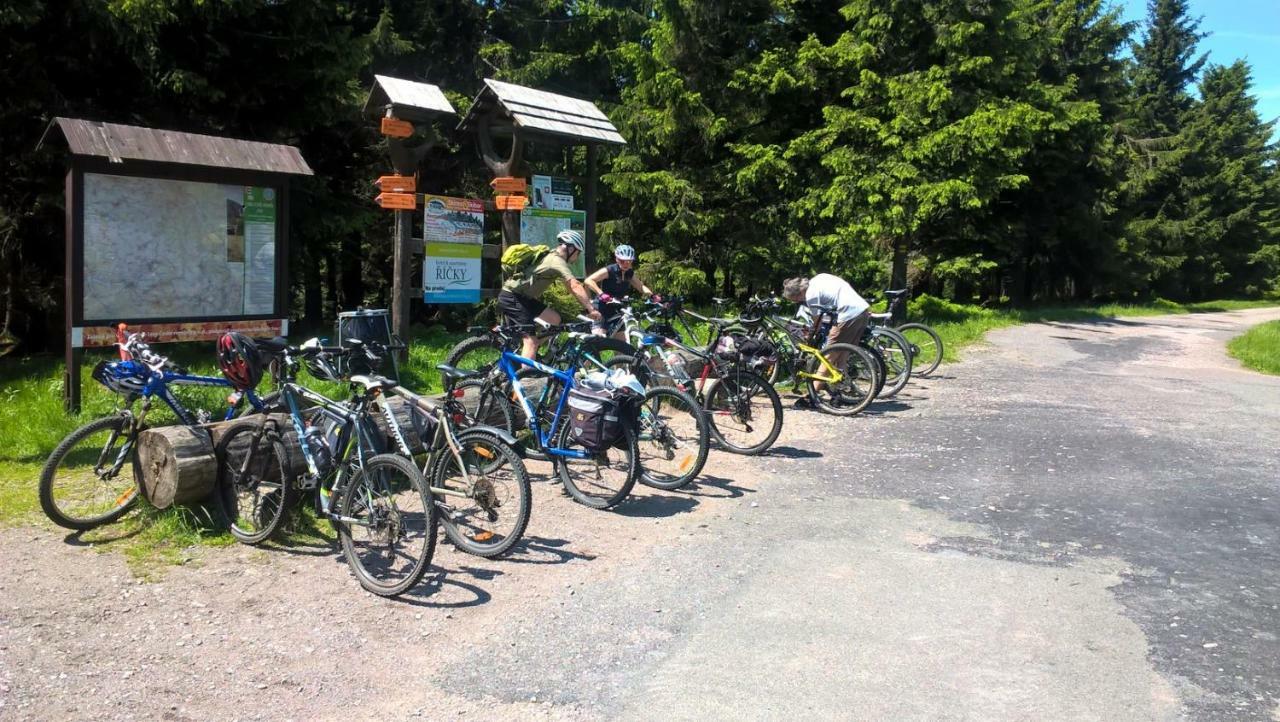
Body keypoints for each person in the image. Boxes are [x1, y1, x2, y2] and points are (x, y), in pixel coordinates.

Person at [498, 229, 602, 359]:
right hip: (512, 297)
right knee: (530, 341)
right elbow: (574, 285)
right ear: (570, 249)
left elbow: (570, 287)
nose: (578, 256)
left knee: (554, 319)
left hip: (523, 298)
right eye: (578, 252)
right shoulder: (557, 262)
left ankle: (530, 352)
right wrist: (591, 309)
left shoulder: (552, 257)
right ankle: (525, 377)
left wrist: (585, 304)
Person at [781, 273, 870, 396]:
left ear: (799, 293)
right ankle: (844, 389)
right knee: (842, 354)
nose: (799, 302)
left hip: (847, 314)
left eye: (796, 300)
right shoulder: (819, 278)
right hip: (862, 311)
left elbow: (817, 323)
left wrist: (809, 337)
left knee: (828, 356)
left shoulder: (811, 295)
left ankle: (812, 396)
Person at [583, 244, 659, 335]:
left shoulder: (629, 273)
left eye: (629, 261)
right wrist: (601, 293)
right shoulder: (610, 270)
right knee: (598, 339)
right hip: (602, 308)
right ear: (617, 259)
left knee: (622, 345)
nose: (626, 264)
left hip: (617, 310)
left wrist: (652, 295)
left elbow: (641, 286)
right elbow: (588, 280)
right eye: (623, 261)